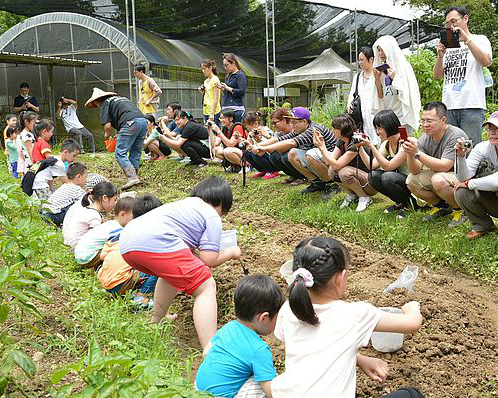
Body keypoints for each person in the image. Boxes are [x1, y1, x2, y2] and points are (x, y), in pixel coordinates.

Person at [270, 236, 423, 398]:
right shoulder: (354, 314)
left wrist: (360, 359)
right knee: (411, 395)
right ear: (340, 278)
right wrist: (412, 308)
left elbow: (314, 347)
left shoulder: (288, 309)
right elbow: (413, 324)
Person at [119, 177, 242, 350]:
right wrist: (231, 252)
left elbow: (192, 252)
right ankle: (211, 349)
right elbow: (209, 259)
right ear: (222, 203)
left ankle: (156, 321)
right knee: (206, 285)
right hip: (156, 241)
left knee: (169, 276)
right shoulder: (211, 214)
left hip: (127, 243)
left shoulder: (183, 205)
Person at [196, 275, 285, 398]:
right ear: (264, 318)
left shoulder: (228, 327)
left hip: (197, 389)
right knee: (267, 379)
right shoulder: (259, 350)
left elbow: (206, 352)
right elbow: (271, 393)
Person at [403, 102, 468, 227]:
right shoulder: (425, 137)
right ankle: (442, 207)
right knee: (411, 180)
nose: (425, 125)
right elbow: (415, 170)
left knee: (438, 179)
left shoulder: (455, 135)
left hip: (463, 177)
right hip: (442, 175)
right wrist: (409, 153)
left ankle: (461, 210)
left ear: (443, 120)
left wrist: (417, 153)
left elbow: (445, 166)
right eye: (423, 121)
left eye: (429, 121)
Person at [433, 6, 492, 145]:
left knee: (471, 148)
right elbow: (437, 76)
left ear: (465, 19)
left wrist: (467, 40)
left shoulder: (479, 39)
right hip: (449, 105)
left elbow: (486, 61)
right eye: (447, 23)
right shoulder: (447, 46)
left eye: (453, 20)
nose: (450, 25)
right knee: (451, 149)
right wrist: (440, 56)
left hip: (471, 104)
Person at [254, 107, 337, 195]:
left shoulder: (313, 129)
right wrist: (257, 145)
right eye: (290, 122)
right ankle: (317, 183)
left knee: (310, 155)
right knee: (292, 154)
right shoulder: (299, 130)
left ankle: (332, 183)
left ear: (304, 121)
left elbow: (291, 142)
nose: (292, 125)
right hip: (321, 159)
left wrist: (264, 148)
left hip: (332, 161)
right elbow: (280, 139)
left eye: (294, 122)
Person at [98, 195, 161, 303]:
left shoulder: (121, 232)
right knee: (158, 267)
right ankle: (141, 297)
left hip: (105, 281)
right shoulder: (146, 236)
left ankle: (121, 293)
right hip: (119, 282)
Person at [356, 110, 417, 217]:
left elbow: (388, 167)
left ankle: (410, 205)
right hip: (402, 181)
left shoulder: (406, 141)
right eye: (376, 128)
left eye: (379, 128)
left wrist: (371, 146)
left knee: (387, 177)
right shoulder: (386, 143)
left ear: (389, 125)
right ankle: (400, 203)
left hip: (414, 183)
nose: (377, 132)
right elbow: (372, 165)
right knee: (372, 176)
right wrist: (359, 148)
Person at [85, 87, 147, 189]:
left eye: (95, 105)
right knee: (135, 151)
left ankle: (132, 178)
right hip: (143, 122)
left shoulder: (105, 103)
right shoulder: (120, 99)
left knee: (120, 153)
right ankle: (135, 176)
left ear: (97, 101)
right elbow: (126, 114)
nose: (96, 107)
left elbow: (108, 126)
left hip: (130, 123)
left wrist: (107, 134)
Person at [314, 114, 377, 212]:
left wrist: (322, 148)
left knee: (344, 172)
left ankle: (364, 197)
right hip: (359, 177)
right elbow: (328, 161)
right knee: (331, 171)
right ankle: (352, 195)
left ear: (343, 128)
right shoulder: (342, 141)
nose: (333, 131)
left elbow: (337, 164)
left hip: (370, 183)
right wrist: (322, 145)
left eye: (335, 128)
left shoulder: (355, 142)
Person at [454, 112, 498, 239]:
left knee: (465, 186)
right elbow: (462, 177)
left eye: (497, 129)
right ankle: (483, 226)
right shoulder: (482, 148)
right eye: (490, 128)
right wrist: (460, 156)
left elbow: (496, 182)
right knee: (461, 191)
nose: (492, 132)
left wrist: (469, 183)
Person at [372, 35, 421, 133]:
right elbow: (380, 96)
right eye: (378, 50)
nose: (381, 54)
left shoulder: (403, 68)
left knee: (404, 144)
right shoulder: (381, 69)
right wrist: (377, 79)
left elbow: (408, 94)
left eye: (383, 50)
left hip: (402, 118)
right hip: (388, 118)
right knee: (390, 146)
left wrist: (395, 78)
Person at [74, 196, 135, 269]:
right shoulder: (117, 230)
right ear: (122, 214)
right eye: (134, 217)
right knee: (117, 250)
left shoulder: (110, 224)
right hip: (88, 257)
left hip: (81, 255)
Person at [62, 181, 118, 249]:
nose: (115, 203)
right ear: (105, 198)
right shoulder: (94, 215)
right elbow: (98, 238)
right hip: (79, 247)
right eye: (114, 200)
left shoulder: (88, 209)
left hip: (72, 243)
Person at [347, 46, 381, 145]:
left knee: (376, 142)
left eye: (362, 60)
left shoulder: (377, 75)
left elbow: (381, 95)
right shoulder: (357, 77)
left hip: (374, 114)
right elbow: (352, 94)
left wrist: (378, 79)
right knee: (362, 142)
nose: (360, 62)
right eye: (359, 60)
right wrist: (349, 104)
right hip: (360, 117)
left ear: (371, 59)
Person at [43, 162, 88, 227]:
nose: (86, 180)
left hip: (45, 213)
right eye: (85, 177)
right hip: (54, 216)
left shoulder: (65, 186)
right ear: (78, 177)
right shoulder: (76, 189)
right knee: (81, 206)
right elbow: (88, 202)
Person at [242, 112, 280, 179]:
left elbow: (273, 145)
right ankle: (264, 170)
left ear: (256, 123)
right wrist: (250, 137)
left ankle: (273, 171)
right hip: (263, 154)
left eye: (248, 125)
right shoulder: (252, 132)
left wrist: (264, 135)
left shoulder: (265, 130)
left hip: (273, 156)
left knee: (256, 152)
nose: (247, 127)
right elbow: (249, 147)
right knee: (247, 153)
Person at [219, 53, 247, 123]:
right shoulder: (228, 76)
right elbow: (226, 94)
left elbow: (241, 92)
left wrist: (227, 88)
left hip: (236, 109)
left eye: (227, 65)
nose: (225, 68)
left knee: (236, 130)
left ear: (233, 62)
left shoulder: (240, 75)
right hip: (226, 108)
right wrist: (222, 89)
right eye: (224, 66)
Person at [199, 59, 221, 127]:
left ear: (210, 68)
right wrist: (202, 91)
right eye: (202, 69)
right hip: (206, 110)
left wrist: (212, 113)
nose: (203, 71)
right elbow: (208, 94)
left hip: (213, 111)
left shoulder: (215, 79)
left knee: (215, 132)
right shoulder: (206, 81)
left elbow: (216, 97)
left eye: (205, 69)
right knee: (208, 133)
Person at [16, 111, 38, 176]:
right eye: (34, 122)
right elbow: (29, 149)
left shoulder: (23, 133)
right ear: (26, 122)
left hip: (28, 161)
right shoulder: (26, 135)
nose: (35, 125)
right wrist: (35, 162)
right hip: (31, 162)